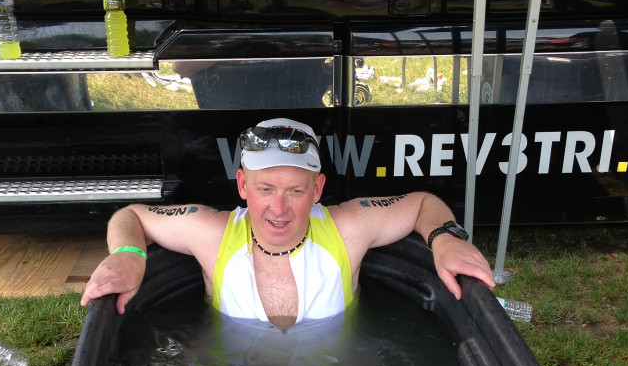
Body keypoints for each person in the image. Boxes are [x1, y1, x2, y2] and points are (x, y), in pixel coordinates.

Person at [81, 117, 495, 327]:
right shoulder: (211, 234)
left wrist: (446, 239)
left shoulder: (347, 228)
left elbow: (422, 203)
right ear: (243, 184)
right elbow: (130, 215)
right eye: (265, 189)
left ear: (317, 189)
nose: (278, 209)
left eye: (295, 190)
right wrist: (129, 255)